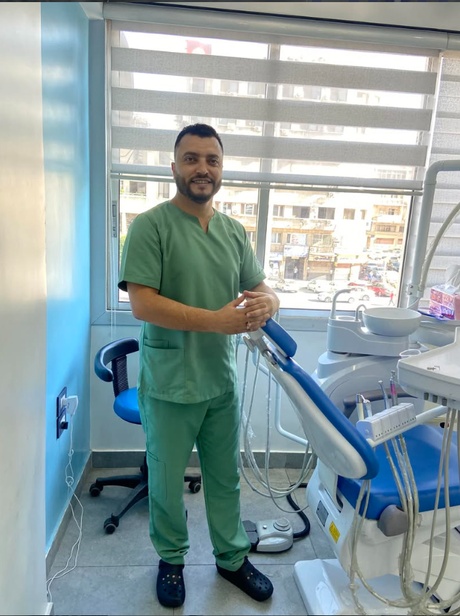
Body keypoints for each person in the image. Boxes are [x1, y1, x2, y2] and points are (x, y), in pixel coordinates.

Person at [118, 123, 280, 608]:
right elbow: (143, 304)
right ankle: (171, 559)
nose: (202, 168)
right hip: (170, 383)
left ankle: (232, 558)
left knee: (225, 478)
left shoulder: (233, 232)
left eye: (212, 159)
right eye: (191, 159)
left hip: (220, 382)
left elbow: (260, 287)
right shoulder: (150, 227)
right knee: (167, 483)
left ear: (222, 169)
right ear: (174, 168)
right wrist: (215, 321)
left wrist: (270, 303)